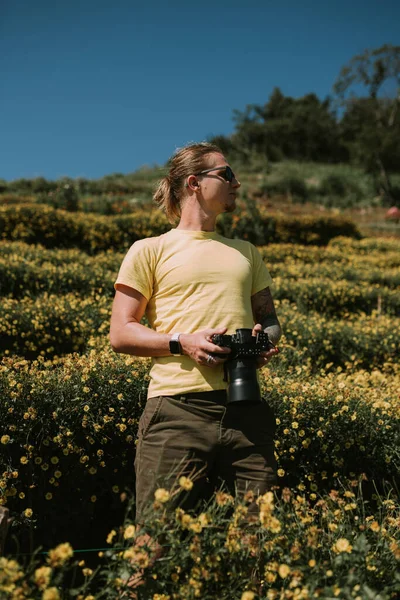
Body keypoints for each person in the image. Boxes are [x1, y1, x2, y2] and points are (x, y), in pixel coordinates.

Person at [110, 142, 282, 525]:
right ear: (194, 183)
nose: (237, 183)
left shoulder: (247, 252)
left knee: (260, 545)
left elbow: (269, 320)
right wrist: (181, 342)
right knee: (154, 543)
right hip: (176, 410)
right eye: (226, 174)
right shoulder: (148, 250)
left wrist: (263, 341)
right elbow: (120, 333)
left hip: (247, 409)